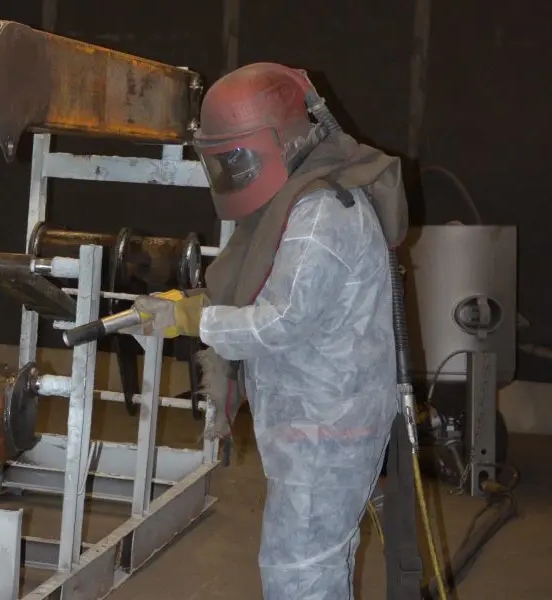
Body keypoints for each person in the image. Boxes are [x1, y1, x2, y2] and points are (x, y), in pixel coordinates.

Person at [128, 63, 410, 599]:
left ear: (277, 142)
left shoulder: (321, 212)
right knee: (323, 564)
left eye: (236, 159)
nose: (230, 175)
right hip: (318, 424)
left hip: (326, 430)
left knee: (297, 576)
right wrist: (194, 303)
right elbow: (273, 291)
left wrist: (195, 319)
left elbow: (282, 319)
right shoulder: (301, 199)